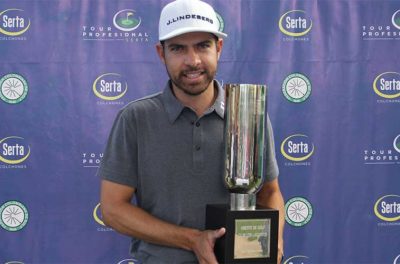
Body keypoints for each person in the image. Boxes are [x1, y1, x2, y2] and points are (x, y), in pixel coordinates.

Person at [98, 0, 285, 263]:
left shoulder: (248, 114)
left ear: (218, 48)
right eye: (177, 48)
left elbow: (269, 192)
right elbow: (113, 209)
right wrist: (192, 239)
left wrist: (274, 243)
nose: (192, 60)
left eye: (203, 46)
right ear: (161, 53)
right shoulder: (136, 118)